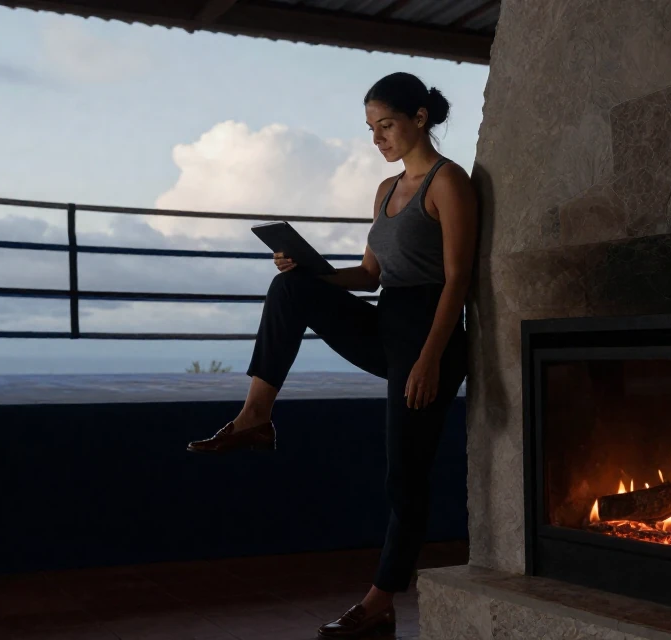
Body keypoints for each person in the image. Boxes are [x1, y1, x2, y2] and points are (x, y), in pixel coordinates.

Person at [187, 71, 478, 639]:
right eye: (371, 129)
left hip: (429, 336)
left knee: (405, 477)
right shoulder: (385, 190)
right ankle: (256, 417)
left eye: (386, 125)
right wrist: (311, 271)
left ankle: (379, 602)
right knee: (291, 289)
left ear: (420, 117)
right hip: (386, 322)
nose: (377, 139)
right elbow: (370, 274)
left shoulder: (449, 183)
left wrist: (430, 360)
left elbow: (458, 279)